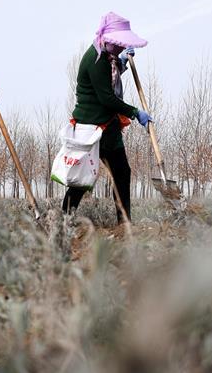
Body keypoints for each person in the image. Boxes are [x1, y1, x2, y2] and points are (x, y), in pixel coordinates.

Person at [62, 12, 152, 224]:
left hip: (109, 128)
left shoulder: (107, 58)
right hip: (91, 128)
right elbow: (107, 98)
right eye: (119, 44)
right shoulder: (95, 60)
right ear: (108, 40)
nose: (121, 47)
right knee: (81, 179)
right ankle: (63, 221)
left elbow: (110, 75)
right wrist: (134, 112)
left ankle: (124, 223)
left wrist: (121, 63)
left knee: (122, 173)